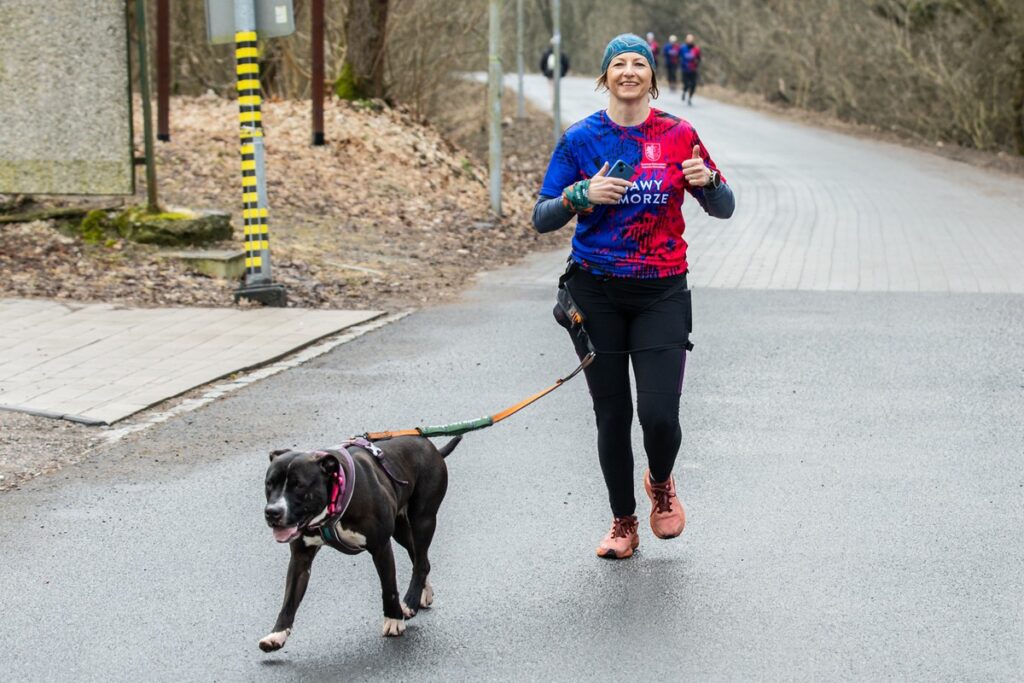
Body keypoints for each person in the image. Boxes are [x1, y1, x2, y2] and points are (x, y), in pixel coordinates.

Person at [531, 33, 735, 559]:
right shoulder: (580, 140)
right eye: (618, 64)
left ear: (651, 77)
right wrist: (581, 194)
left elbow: (724, 208)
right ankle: (623, 523)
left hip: (662, 291)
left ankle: (661, 483)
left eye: (637, 64)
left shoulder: (678, 133)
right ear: (605, 77)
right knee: (612, 414)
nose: (628, 71)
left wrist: (708, 181)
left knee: (660, 415)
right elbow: (541, 215)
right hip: (595, 291)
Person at [681, 33, 702, 105]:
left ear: (693, 40)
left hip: (693, 70)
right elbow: (679, 56)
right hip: (685, 69)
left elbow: (699, 59)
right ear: (686, 40)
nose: (689, 40)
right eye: (688, 39)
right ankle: (684, 92)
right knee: (686, 84)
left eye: (691, 39)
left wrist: (697, 62)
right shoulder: (682, 48)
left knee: (693, 85)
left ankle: (690, 98)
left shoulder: (696, 49)